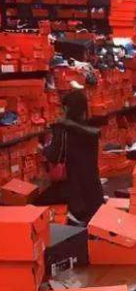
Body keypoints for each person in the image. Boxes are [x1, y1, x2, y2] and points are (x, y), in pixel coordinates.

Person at [41, 90, 103, 224]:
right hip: (94, 193)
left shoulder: (64, 130)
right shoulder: (91, 129)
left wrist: (43, 150)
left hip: (75, 195)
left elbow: (54, 156)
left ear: (67, 109)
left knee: (36, 201)